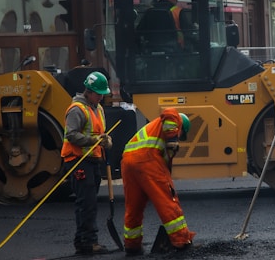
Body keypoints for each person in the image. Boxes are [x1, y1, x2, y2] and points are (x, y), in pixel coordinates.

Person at [121, 107, 196, 256]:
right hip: (146, 159)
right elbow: (169, 111)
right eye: (181, 134)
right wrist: (173, 138)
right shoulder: (175, 120)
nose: (179, 136)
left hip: (128, 162)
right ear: (181, 127)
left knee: (134, 206)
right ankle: (181, 241)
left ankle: (132, 245)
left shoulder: (154, 132)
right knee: (167, 200)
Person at [61, 71, 112, 255]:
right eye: (98, 93)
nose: (101, 97)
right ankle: (89, 242)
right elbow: (71, 135)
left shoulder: (97, 108)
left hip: (92, 160)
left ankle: (82, 241)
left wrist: (106, 140)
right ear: (88, 91)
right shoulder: (77, 110)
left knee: (88, 202)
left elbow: (98, 132)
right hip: (77, 160)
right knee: (87, 202)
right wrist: (94, 141)